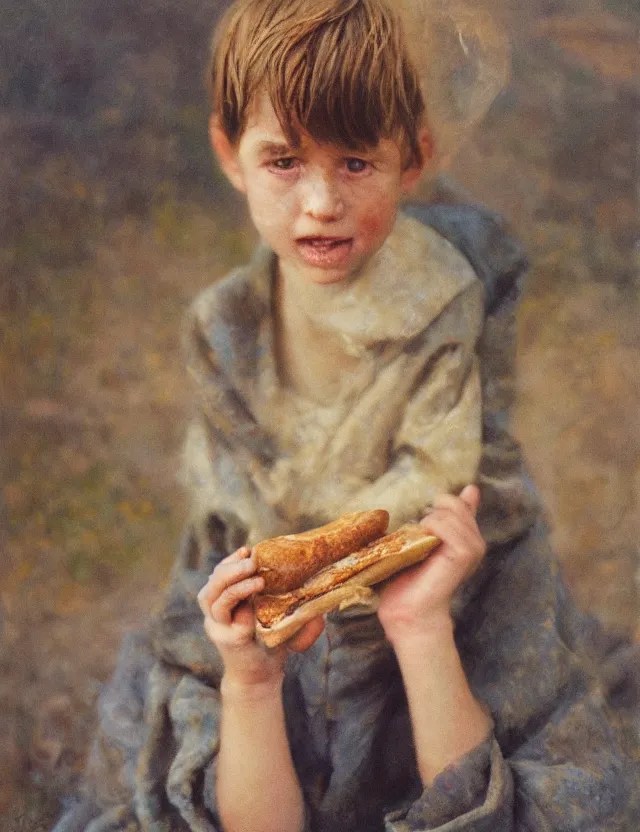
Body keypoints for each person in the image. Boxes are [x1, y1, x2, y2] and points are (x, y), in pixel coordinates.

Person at [53, 1, 640, 831]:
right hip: (269, 566)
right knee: (197, 710)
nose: (321, 202)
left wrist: (369, 578)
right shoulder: (225, 323)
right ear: (232, 156)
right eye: (285, 161)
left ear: (414, 161)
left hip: (424, 546)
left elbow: (437, 465)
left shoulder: (441, 296)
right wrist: (266, 592)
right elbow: (227, 472)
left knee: (524, 744)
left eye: (357, 163)